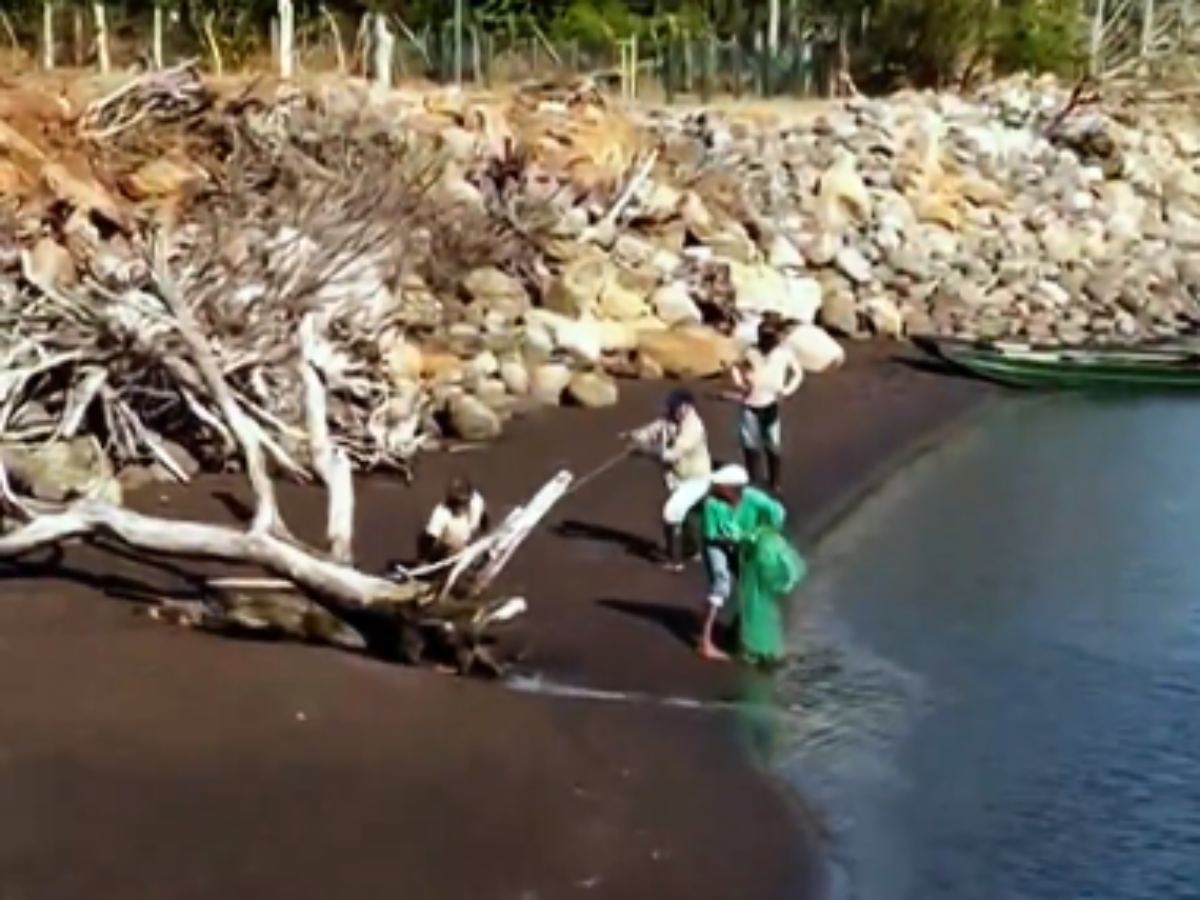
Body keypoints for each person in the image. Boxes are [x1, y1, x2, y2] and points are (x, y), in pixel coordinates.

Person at [700, 463, 804, 666]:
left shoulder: (752, 498)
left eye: (721, 485)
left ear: (733, 488)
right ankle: (705, 643)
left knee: (755, 587)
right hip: (717, 544)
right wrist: (746, 539)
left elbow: (777, 512)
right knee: (722, 584)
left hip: (744, 543)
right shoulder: (712, 504)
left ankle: (739, 633)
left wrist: (766, 531)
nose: (716, 488)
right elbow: (717, 536)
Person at [628, 389, 713, 572]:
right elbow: (655, 428)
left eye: (677, 407)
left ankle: (675, 560)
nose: (673, 411)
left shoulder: (694, 427)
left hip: (695, 478)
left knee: (671, 513)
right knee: (689, 516)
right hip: (677, 477)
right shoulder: (670, 418)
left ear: (688, 407)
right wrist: (635, 436)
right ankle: (692, 550)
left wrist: (647, 452)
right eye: (672, 407)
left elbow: (673, 454)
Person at [730, 316, 803, 492]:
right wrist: (740, 383)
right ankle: (752, 478)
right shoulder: (750, 351)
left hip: (771, 402)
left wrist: (786, 391)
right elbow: (735, 366)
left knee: (773, 442)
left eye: (771, 337)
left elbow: (797, 374)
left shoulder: (784, 353)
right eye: (764, 336)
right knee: (750, 442)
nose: (768, 341)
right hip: (750, 402)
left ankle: (774, 480)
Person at [418, 477, 490, 564]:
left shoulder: (477, 501)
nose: (457, 508)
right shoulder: (441, 514)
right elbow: (429, 539)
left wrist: (485, 536)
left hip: (468, 538)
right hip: (446, 546)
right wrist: (424, 560)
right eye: (454, 504)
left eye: (461, 504)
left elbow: (483, 518)